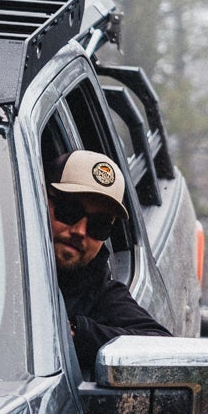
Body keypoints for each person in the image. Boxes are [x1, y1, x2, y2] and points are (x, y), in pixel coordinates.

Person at [47, 149, 170, 373]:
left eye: (99, 225)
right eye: (69, 210)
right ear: (39, 200)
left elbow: (163, 347)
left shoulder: (99, 292)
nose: (80, 231)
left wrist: (75, 333)